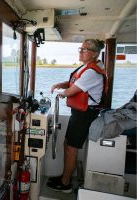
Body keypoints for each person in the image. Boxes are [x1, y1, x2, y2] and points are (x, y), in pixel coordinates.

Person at [46, 39, 106, 193]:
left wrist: (61, 93)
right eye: (80, 48)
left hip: (84, 114)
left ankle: (65, 184)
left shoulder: (92, 72)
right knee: (67, 144)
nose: (80, 51)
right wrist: (61, 84)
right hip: (78, 113)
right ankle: (64, 177)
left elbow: (71, 92)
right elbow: (74, 83)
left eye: (84, 49)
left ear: (93, 54)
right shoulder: (87, 67)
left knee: (72, 149)